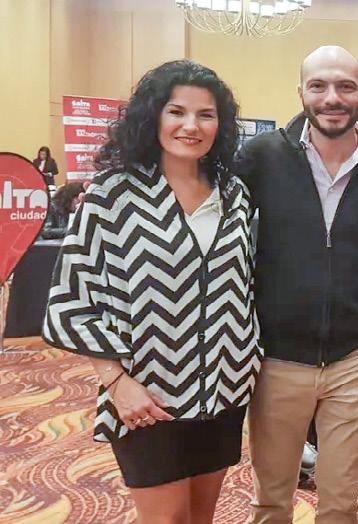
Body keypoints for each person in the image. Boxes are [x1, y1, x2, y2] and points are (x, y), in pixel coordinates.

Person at [42, 60, 261, 523]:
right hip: (146, 397)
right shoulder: (111, 194)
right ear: (152, 116)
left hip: (222, 392)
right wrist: (116, 383)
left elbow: (242, 287)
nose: (191, 126)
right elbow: (71, 300)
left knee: (201, 517)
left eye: (205, 115)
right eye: (176, 111)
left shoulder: (234, 194)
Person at [235, 45, 358, 524]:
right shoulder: (261, 157)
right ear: (301, 93)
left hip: (355, 358)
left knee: (341, 503)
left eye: (345, 86)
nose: (332, 98)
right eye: (319, 86)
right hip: (277, 359)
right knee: (271, 500)